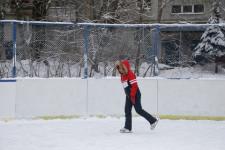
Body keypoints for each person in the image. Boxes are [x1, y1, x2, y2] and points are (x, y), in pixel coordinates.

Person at [115, 59, 159, 133]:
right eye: (118, 68)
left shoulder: (130, 74)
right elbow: (126, 87)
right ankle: (128, 127)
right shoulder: (122, 76)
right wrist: (128, 95)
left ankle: (153, 121)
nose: (119, 70)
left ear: (124, 68)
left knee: (139, 110)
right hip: (129, 95)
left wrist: (132, 96)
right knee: (127, 110)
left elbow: (134, 86)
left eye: (121, 68)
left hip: (135, 94)